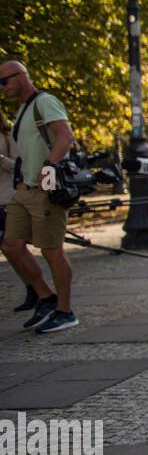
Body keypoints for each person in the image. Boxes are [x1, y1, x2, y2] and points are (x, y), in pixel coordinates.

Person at [0, 61, 78, 332]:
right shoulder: (22, 110)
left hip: (46, 187)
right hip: (24, 189)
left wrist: (50, 169)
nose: (3, 87)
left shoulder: (45, 102)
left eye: (5, 81)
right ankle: (45, 297)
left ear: (21, 76)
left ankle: (65, 311)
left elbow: (65, 136)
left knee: (51, 250)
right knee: (10, 245)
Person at [1, 107, 37, 311]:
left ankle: (37, 288)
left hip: (7, 198)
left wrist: (1, 159)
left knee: (13, 245)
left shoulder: (8, 136)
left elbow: (18, 165)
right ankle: (32, 286)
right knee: (8, 248)